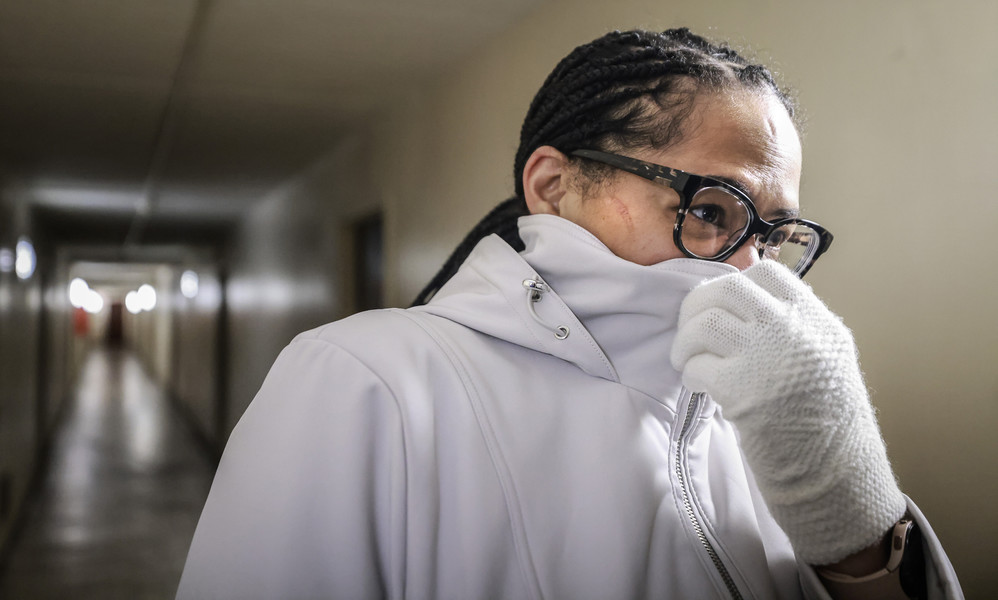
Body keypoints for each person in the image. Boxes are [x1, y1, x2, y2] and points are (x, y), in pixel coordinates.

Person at [177, 29, 963, 599]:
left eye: (775, 234)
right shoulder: (364, 382)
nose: (750, 269)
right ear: (552, 186)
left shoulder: (765, 406)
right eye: (714, 209)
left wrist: (852, 518)